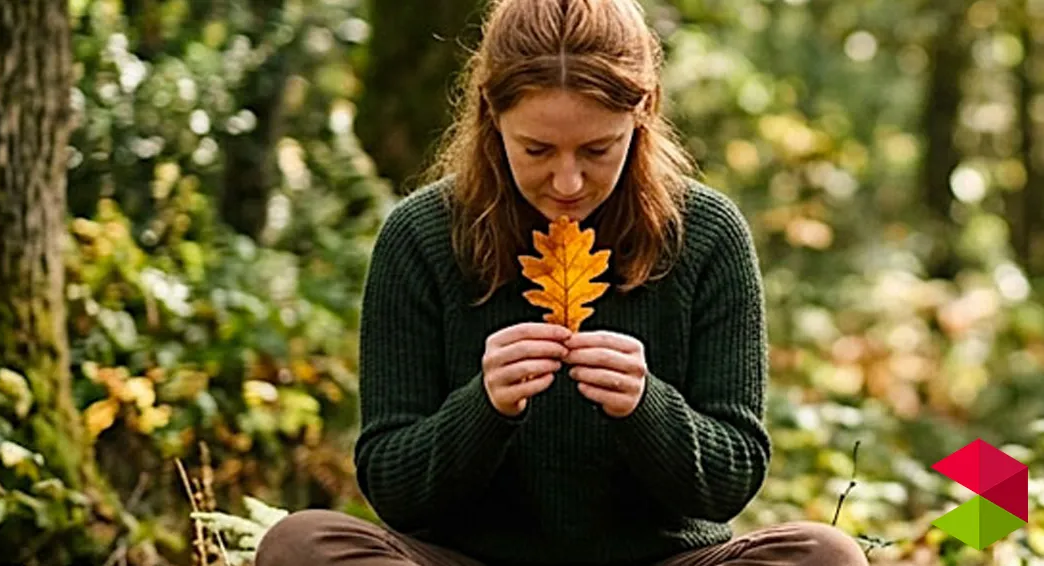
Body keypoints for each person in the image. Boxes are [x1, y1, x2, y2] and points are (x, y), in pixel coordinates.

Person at [255, 0, 870, 564]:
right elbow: (392, 486)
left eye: (598, 150)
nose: (568, 182)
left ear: (643, 111)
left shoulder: (705, 234)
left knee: (827, 555)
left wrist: (645, 407)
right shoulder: (422, 235)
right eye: (538, 149)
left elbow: (731, 481)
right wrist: (484, 407)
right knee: (298, 545)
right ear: (492, 117)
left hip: (658, 561)